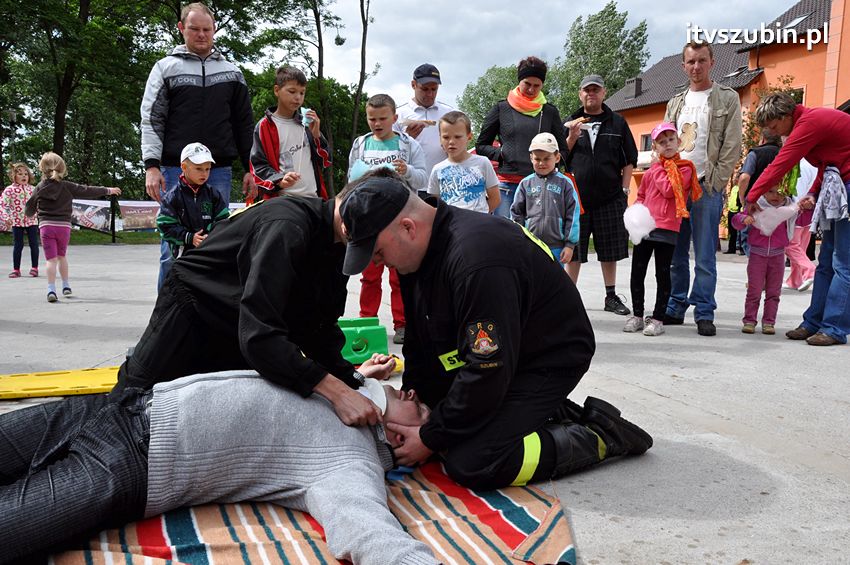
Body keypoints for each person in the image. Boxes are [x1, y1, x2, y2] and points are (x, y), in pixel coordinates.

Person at [339, 170, 653, 490]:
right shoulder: (416, 252)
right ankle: (540, 411)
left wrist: (430, 437)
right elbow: (420, 344)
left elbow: (488, 369)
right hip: (502, 352)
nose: (377, 264)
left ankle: (599, 434)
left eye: (378, 253)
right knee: (441, 419)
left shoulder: (476, 261)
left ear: (408, 227)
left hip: (546, 357)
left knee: (473, 461)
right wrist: (421, 400)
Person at [0, 367, 438, 565]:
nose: (410, 394)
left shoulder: (349, 461)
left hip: (132, 463)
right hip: (117, 406)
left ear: (399, 438)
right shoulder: (344, 392)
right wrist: (358, 377)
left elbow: (366, 528)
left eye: (416, 409)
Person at [110, 180, 383, 427]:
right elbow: (259, 336)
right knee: (134, 403)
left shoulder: (338, 243)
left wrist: (354, 380)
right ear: (349, 222)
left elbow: (319, 327)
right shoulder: (287, 226)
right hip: (193, 305)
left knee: (212, 416)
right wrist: (335, 390)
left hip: (237, 319)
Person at [140, 2, 256, 289]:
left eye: (207, 29)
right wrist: (151, 167)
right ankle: (166, 320)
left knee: (215, 246)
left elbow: (244, 124)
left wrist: (251, 168)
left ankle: (206, 319)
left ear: (214, 30)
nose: (202, 35)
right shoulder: (165, 69)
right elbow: (152, 119)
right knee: (172, 249)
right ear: (181, 28)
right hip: (172, 170)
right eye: (195, 29)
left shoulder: (232, 72)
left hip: (217, 172)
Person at [745, 91, 850, 346]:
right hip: (838, 182)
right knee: (826, 261)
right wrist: (814, 191)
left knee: (843, 263)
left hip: (847, 185)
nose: (775, 132)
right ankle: (813, 322)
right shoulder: (809, 122)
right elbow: (828, 164)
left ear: (784, 116)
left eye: (773, 126)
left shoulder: (808, 123)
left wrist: (751, 197)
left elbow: (780, 164)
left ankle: (834, 328)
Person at [663, 41, 742, 336]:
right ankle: (675, 306)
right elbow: (663, 143)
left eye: (701, 61)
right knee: (675, 254)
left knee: (706, 255)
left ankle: (705, 311)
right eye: (691, 62)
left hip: (706, 187)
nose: (696, 67)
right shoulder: (675, 102)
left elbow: (732, 144)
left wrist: (717, 183)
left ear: (711, 62)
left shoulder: (726, 98)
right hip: (675, 188)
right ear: (684, 66)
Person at [348, 94, 427, 345]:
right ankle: (366, 322)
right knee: (369, 274)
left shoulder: (409, 145)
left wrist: (408, 171)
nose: (377, 123)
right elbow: (351, 179)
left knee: (399, 275)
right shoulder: (361, 144)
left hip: (399, 217)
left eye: (383, 118)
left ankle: (403, 324)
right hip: (368, 217)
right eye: (372, 119)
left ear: (395, 118)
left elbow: (424, 179)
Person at [563, 74, 638, 315]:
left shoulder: (617, 122)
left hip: (610, 197)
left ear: (604, 93)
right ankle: (569, 298)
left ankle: (611, 296)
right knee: (574, 249)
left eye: (595, 90)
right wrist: (571, 139)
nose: (591, 94)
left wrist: (625, 191)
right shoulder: (569, 122)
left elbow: (629, 160)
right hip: (577, 199)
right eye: (587, 90)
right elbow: (559, 159)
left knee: (609, 250)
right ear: (580, 94)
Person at [623, 123, 701, 337]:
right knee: (637, 272)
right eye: (662, 142)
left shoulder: (685, 168)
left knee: (663, 274)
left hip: (667, 229)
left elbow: (668, 190)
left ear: (678, 142)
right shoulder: (651, 172)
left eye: (671, 140)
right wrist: (635, 216)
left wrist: (658, 168)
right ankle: (637, 315)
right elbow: (642, 196)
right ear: (655, 147)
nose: (667, 144)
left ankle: (658, 319)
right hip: (647, 229)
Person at [476, 56, 568, 219]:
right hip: (506, 187)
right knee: (505, 239)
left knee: (536, 239)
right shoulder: (501, 108)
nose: (532, 90)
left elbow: (563, 150)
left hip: (540, 186)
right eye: (527, 84)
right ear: (519, 81)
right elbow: (481, 145)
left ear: (542, 85)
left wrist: (550, 163)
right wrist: (502, 153)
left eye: (536, 85)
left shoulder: (549, 112)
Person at [24, 152, 121, 303]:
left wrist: (30, 214)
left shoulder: (40, 187)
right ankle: (66, 286)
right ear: (62, 168)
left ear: (42, 169)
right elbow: (87, 190)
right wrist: (108, 190)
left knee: (51, 260)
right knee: (62, 256)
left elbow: (29, 206)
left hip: (46, 226)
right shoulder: (67, 186)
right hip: (64, 227)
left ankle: (51, 289)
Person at [249, 64, 331, 202]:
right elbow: (258, 167)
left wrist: (316, 135)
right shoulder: (264, 126)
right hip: (283, 200)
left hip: (314, 198)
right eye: (292, 91)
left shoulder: (306, 124)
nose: (298, 97)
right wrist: (280, 180)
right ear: (277, 90)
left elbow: (326, 161)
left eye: (302, 92)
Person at [156, 142, 229, 280]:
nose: (204, 173)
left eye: (208, 169)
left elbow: (224, 220)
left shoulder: (213, 194)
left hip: (207, 250)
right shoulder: (172, 197)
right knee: (179, 285)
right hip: (181, 255)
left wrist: (212, 234)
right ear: (184, 167)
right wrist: (189, 237)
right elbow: (164, 225)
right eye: (199, 168)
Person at [732, 184, 795, 335]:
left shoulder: (788, 210)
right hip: (757, 255)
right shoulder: (756, 207)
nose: (775, 196)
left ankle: (769, 322)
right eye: (770, 191)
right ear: (763, 194)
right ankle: (749, 320)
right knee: (754, 290)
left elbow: (804, 217)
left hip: (778, 255)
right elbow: (735, 221)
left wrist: (806, 205)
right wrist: (744, 218)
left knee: (774, 292)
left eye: (779, 192)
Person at [510, 132, 580, 265]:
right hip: (530, 245)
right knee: (531, 282)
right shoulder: (525, 184)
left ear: (557, 157)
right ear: (531, 158)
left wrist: (570, 245)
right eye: (537, 159)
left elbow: (573, 215)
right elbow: (516, 214)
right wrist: (519, 240)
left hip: (557, 248)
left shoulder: (565, 184)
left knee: (554, 283)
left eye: (547, 158)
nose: (541, 163)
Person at [395, 63, 455, 196]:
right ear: (413, 85)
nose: (430, 94)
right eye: (425, 89)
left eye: (434, 89)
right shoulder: (398, 115)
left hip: (443, 186)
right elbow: (389, 154)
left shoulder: (450, 113)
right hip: (409, 187)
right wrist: (406, 138)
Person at [428, 111, 500, 213]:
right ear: (440, 138)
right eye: (446, 137)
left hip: (478, 224)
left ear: (469, 137)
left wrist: (482, 218)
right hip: (451, 226)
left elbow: (495, 198)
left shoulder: (483, 162)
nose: (451, 141)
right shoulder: (437, 169)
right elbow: (436, 203)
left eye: (457, 137)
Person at [737, 131, 783, 257]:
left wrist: (742, 198)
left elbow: (745, 177)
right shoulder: (784, 153)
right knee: (775, 239)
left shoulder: (755, 153)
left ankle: (758, 267)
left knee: (751, 238)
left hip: (756, 202)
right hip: (778, 202)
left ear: (762, 139)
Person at [783, 159, 817, 291]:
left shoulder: (801, 165)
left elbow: (799, 191)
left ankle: (809, 271)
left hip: (799, 208)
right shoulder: (815, 164)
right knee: (800, 246)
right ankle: (795, 279)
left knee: (790, 245)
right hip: (811, 210)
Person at [2, 162, 39, 278]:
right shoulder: (10, 190)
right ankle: (16, 269)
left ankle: (34, 268)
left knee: (34, 244)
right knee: (18, 245)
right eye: (20, 174)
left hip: (32, 221)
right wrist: (6, 218)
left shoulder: (33, 190)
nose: (24, 176)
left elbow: (40, 204)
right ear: (14, 176)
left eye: (26, 174)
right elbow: (2, 205)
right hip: (16, 222)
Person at [724, 182, 741, 254]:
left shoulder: (741, 187)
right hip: (731, 211)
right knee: (732, 232)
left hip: (738, 211)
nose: (734, 179)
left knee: (740, 232)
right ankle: (731, 249)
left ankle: (742, 249)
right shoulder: (733, 188)